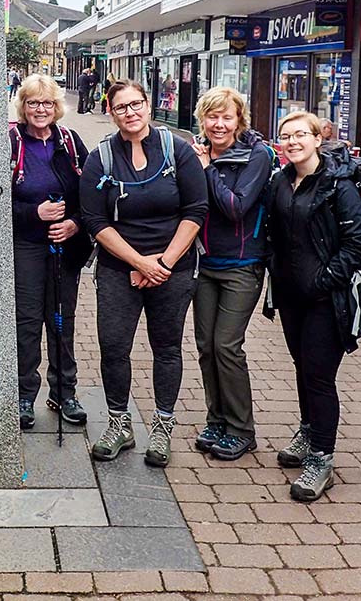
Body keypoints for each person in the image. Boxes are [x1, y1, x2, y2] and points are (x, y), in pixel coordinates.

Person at [79, 80, 208, 467]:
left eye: (136, 104)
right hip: (120, 267)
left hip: (174, 266)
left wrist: (163, 264)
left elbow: (197, 210)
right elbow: (94, 219)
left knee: (166, 347)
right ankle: (120, 423)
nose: (130, 113)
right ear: (111, 112)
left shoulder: (177, 151)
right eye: (121, 107)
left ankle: (163, 427)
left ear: (148, 105)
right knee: (114, 346)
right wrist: (140, 263)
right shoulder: (100, 158)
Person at [266, 110, 361, 502]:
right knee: (302, 367)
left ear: (317, 138)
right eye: (286, 136)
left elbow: (357, 242)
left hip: (327, 299)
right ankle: (308, 430)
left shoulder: (338, 184)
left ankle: (322, 459)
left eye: (300, 135)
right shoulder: (281, 180)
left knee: (319, 375)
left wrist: (326, 281)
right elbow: (274, 231)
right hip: (291, 295)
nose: (292, 142)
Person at [190, 87, 274, 461]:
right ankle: (217, 419)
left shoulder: (256, 155)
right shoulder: (195, 150)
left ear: (240, 120)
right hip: (203, 263)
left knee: (227, 345)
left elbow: (236, 207)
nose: (219, 124)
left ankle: (242, 428)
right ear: (202, 120)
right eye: (212, 117)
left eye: (227, 117)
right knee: (206, 347)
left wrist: (208, 169)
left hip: (242, 265)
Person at [10, 74, 92, 431]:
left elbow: (91, 194)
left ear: (56, 107)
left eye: (46, 103)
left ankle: (64, 391)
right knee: (27, 321)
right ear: (23, 107)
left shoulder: (71, 142)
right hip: (26, 243)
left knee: (62, 320)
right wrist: (34, 213)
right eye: (32, 103)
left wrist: (74, 223)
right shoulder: (10, 143)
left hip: (64, 246)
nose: (40, 109)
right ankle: (25, 393)